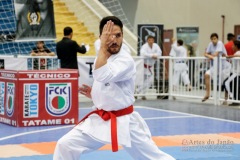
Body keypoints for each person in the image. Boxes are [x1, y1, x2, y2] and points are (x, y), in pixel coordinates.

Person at [53, 16, 175, 160]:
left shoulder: (125, 59)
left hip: (125, 121)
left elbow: (102, 75)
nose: (114, 40)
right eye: (109, 36)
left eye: (118, 35)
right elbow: (109, 86)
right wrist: (95, 94)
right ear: (101, 37)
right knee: (65, 145)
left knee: (154, 157)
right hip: (101, 119)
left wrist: (104, 46)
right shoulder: (105, 55)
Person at [202, 33, 231, 102]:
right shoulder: (210, 44)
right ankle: (207, 94)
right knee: (207, 75)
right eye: (212, 39)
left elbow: (215, 54)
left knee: (225, 82)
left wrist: (210, 56)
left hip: (224, 66)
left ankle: (225, 99)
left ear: (217, 39)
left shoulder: (220, 43)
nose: (213, 40)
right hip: (215, 66)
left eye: (214, 39)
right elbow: (205, 53)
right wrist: (210, 56)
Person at [136, 35, 162, 100]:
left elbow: (159, 52)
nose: (151, 41)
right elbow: (143, 53)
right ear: (147, 40)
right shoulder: (144, 46)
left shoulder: (156, 46)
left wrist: (155, 55)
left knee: (150, 81)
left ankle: (138, 92)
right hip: (143, 66)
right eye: (149, 40)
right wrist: (152, 55)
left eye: (152, 40)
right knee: (141, 80)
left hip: (150, 67)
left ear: (153, 40)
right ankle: (141, 94)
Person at [223, 40, 240, 106]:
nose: (232, 47)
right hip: (234, 73)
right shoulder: (236, 53)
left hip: (236, 73)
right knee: (229, 85)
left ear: (236, 46)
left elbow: (237, 56)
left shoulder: (238, 52)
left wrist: (228, 56)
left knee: (226, 83)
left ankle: (233, 98)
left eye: (233, 45)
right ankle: (235, 99)